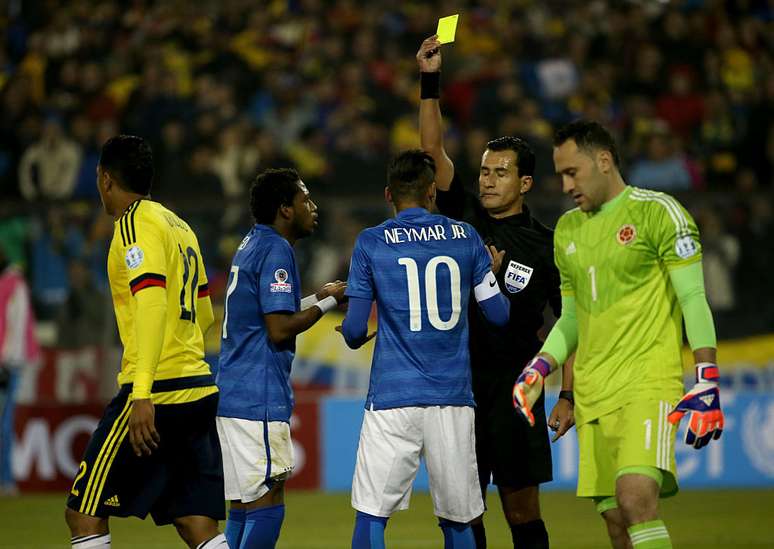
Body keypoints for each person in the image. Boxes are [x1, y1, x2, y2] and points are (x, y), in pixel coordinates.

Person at [513, 120, 724, 549]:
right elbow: (572, 317)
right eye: (560, 175)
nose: (566, 184)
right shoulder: (568, 231)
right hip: (593, 392)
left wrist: (707, 376)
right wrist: (540, 367)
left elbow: (693, 299)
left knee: (636, 498)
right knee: (615, 519)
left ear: (604, 160)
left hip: (647, 383)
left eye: (573, 172)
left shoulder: (657, 212)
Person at [416, 35, 573, 549]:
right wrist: (430, 81)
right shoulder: (463, 217)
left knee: (521, 506)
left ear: (525, 183)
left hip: (517, 389)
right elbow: (431, 150)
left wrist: (568, 394)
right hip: (460, 386)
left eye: (500, 173)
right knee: (465, 506)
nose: (487, 181)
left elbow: (570, 322)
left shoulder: (548, 245)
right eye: (484, 171)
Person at [341, 149, 511, 549]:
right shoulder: (465, 237)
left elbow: (352, 331)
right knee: (457, 519)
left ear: (388, 194)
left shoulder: (370, 243)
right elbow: (499, 315)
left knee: (371, 516)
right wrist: (489, 274)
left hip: (392, 399)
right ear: (432, 191)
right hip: (451, 398)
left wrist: (357, 332)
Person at [65, 135, 227, 549]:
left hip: (157, 392)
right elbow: (205, 313)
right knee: (195, 523)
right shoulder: (179, 225)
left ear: (104, 179)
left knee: (83, 512)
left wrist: (141, 392)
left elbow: (151, 303)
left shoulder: (134, 224)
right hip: (197, 388)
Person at [215, 167, 347, 549]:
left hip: (234, 392)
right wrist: (328, 301)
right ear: (286, 209)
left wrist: (315, 296)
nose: (313, 207)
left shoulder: (252, 243)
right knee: (268, 503)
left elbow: (266, 316)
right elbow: (278, 329)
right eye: (306, 199)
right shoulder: (277, 248)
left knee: (242, 505)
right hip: (259, 396)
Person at [0, 243, 40, 495]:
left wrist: (5, 362)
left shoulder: (14, 284)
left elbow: (17, 325)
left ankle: (5, 480)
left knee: (3, 425)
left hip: (7, 366)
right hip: (7, 363)